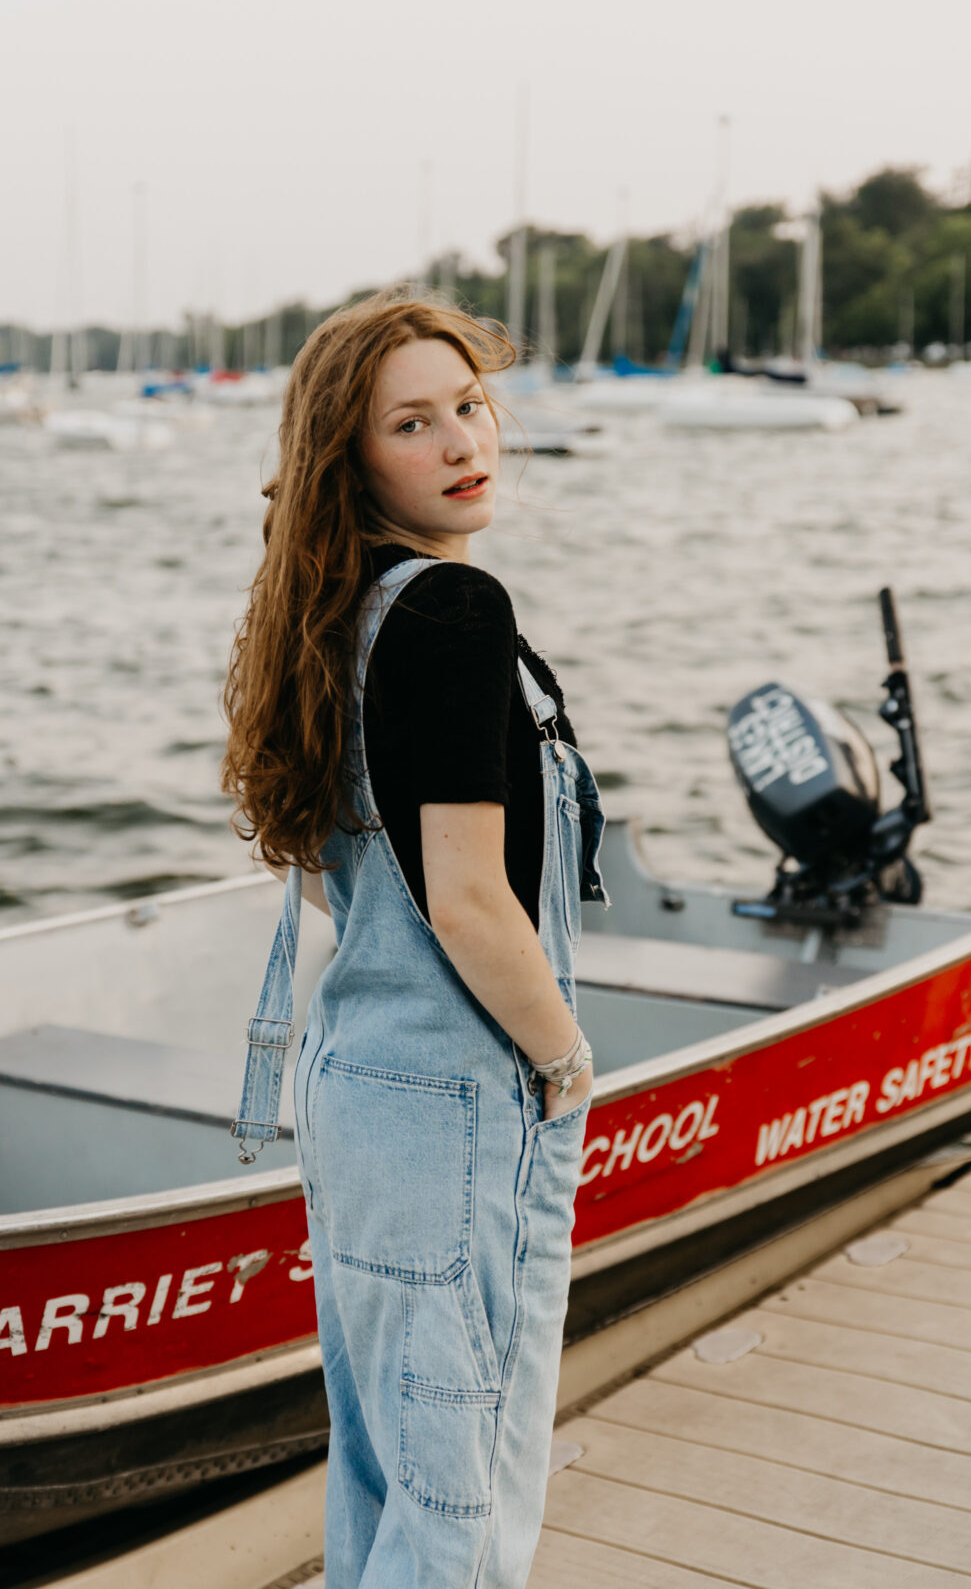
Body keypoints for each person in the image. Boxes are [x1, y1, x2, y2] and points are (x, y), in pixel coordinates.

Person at [221, 289, 610, 1587]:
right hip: (457, 1113)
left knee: (384, 1482)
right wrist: (561, 1061)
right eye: (414, 420)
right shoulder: (450, 611)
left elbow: (344, 879)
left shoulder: (337, 617)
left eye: (469, 403)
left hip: (358, 1096)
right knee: (465, 1515)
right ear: (354, 455)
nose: (461, 439)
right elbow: (466, 897)